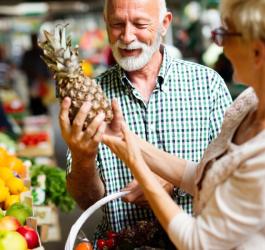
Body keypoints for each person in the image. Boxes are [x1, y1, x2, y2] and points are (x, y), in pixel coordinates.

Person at [61, 0, 232, 244]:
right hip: (120, 243)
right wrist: (82, 158)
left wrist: (176, 182)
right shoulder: (89, 98)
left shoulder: (207, 85)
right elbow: (87, 201)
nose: (127, 36)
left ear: (165, 24)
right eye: (117, 24)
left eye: (140, 24)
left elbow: (230, 184)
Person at [103, 0, 265, 249]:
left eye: (225, 34)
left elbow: (199, 242)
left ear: (257, 53)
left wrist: (137, 163)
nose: (220, 44)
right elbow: (205, 176)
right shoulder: (247, 103)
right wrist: (127, 140)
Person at [20, 33, 50, 115]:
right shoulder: (27, 54)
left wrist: (44, 77)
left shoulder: (42, 53)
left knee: (44, 104)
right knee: (34, 104)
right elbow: (23, 67)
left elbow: (48, 68)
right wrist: (34, 74)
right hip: (32, 83)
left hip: (42, 84)